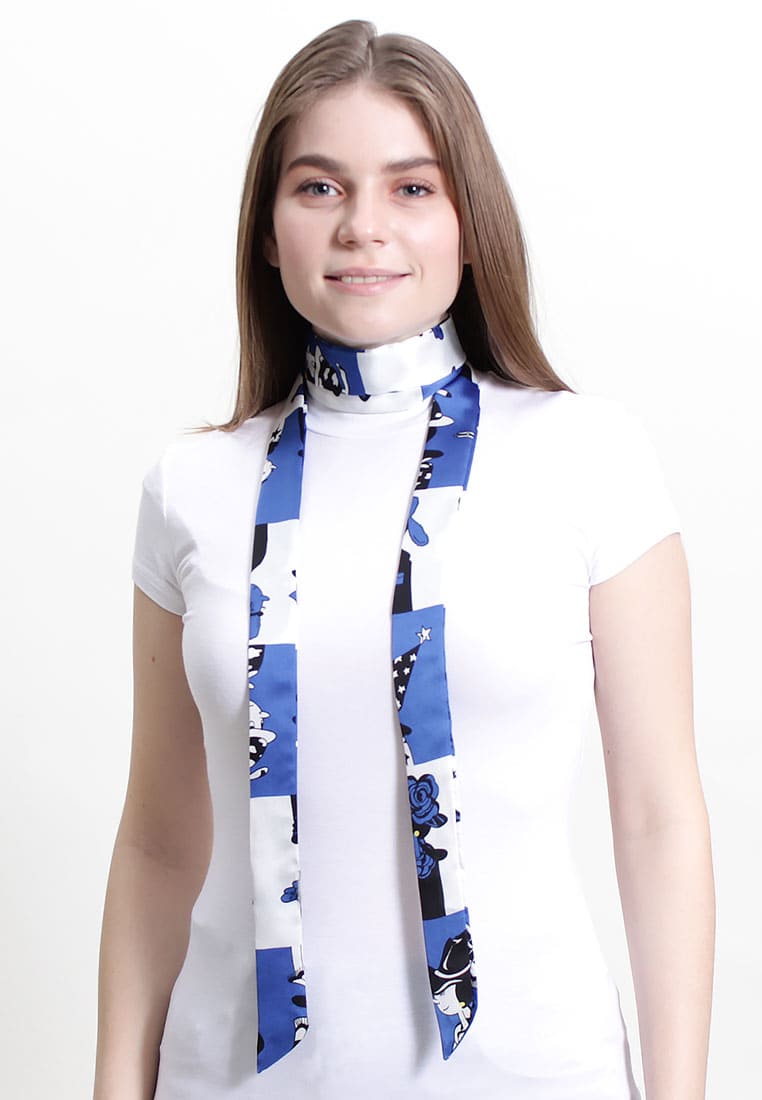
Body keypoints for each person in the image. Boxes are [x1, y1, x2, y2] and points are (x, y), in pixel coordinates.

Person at [93, 18, 715, 1100]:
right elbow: (156, 837)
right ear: (268, 231)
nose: (362, 226)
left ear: (471, 224)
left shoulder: (590, 457)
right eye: (319, 187)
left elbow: (658, 817)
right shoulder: (189, 486)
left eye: (412, 187)